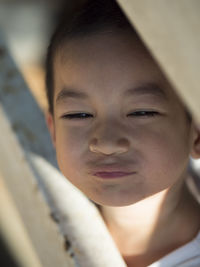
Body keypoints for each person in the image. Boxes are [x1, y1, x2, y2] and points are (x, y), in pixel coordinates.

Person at [45, 0, 200, 266]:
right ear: (54, 132)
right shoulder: (44, 220)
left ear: (196, 133)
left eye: (141, 112)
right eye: (78, 115)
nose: (106, 143)